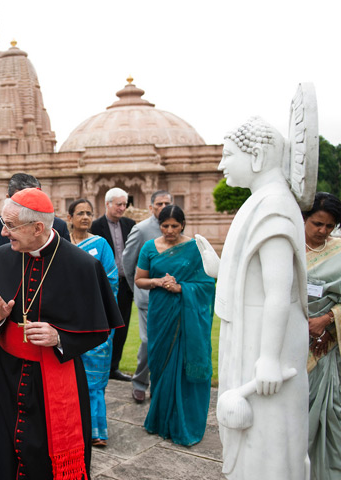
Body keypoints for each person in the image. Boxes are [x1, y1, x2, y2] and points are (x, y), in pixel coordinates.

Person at [0, 188, 123, 480]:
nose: (3, 233)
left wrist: (60, 338)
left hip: (53, 374)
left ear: (37, 227)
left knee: (43, 453)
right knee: (3, 445)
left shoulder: (82, 265)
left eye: (10, 226)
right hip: (6, 375)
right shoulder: (3, 256)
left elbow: (99, 329)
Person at [195, 116, 310, 479]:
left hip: (264, 339)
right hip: (251, 332)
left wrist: (270, 358)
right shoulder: (260, 201)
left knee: (267, 434)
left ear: (257, 155)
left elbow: (279, 289)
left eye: (228, 155)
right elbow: (256, 276)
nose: (221, 164)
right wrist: (220, 269)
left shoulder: (274, 204)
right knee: (250, 436)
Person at [0, 173, 70, 389]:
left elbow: (68, 284)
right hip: (4, 334)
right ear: (8, 198)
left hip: (48, 335)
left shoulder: (59, 228)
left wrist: (61, 335)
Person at [134, 205, 215, 446]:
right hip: (160, 312)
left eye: (175, 226)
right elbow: (139, 279)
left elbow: (207, 284)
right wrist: (158, 282)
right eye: (165, 225)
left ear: (183, 225)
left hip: (185, 313)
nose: (169, 230)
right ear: (159, 225)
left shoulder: (194, 248)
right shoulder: (149, 247)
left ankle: (182, 421)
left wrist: (182, 288)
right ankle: (160, 419)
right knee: (159, 362)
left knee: (181, 365)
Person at [68, 198, 118, 448]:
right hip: (67, 320)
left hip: (97, 318)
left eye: (89, 213)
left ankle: (97, 430)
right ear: (70, 218)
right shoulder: (63, 245)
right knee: (70, 376)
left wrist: (90, 301)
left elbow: (112, 280)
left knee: (94, 378)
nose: (85, 217)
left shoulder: (101, 245)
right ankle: (72, 426)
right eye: (80, 213)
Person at [121, 190, 173, 403]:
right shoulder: (141, 229)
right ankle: (140, 382)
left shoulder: (175, 228)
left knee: (168, 340)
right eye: (159, 204)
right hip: (147, 296)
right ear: (151, 207)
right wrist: (138, 288)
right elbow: (127, 261)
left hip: (171, 295)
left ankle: (162, 384)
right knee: (147, 341)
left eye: (166, 203)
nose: (163, 207)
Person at [304, 192, 341, 480]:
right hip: (285, 345)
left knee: (330, 413)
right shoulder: (286, 249)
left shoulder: (339, 251)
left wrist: (327, 319)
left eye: (329, 226)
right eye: (317, 223)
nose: (323, 231)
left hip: (324, 347)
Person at [90, 187, 136, 382]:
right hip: (103, 287)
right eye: (119, 204)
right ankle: (100, 366)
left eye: (125, 204)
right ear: (107, 204)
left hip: (125, 285)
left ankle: (114, 367)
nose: (122, 208)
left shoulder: (130, 224)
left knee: (122, 327)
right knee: (102, 326)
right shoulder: (95, 226)